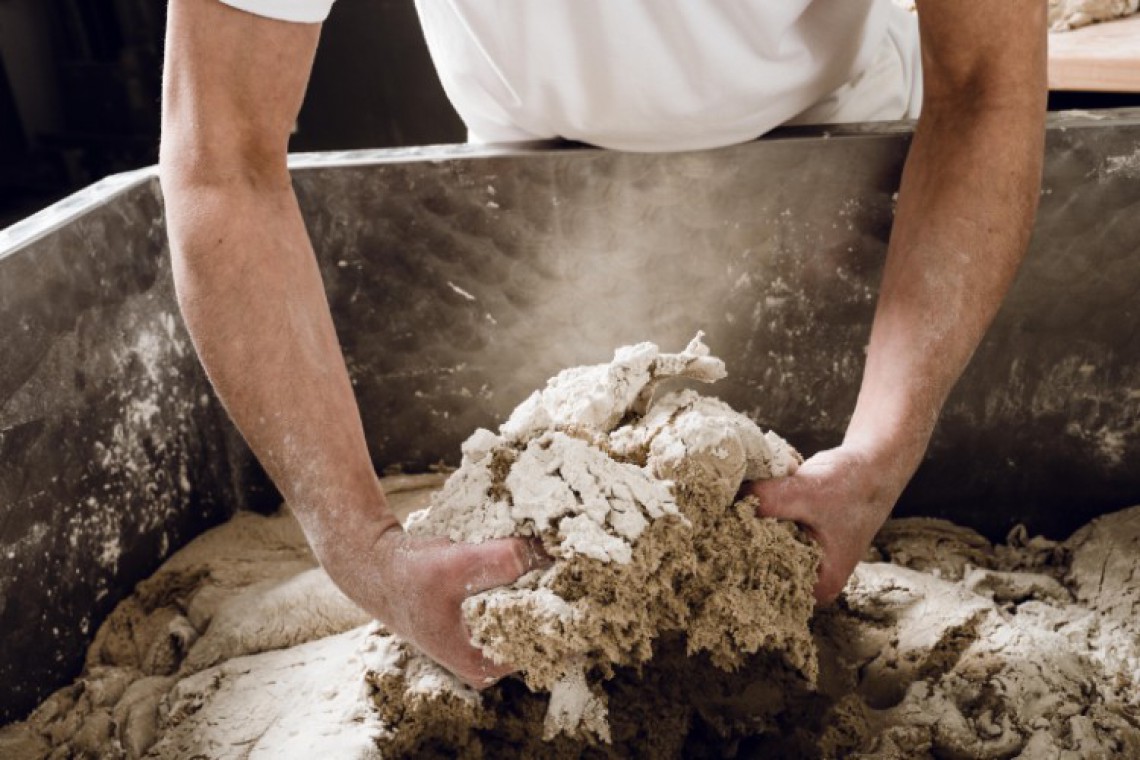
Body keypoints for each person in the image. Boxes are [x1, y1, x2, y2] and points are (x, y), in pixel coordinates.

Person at [159, 0, 1047, 688]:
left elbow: (986, 85)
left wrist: (882, 449)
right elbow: (220, 153)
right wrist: (361, 546)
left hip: (847, 134)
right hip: (526, 158)